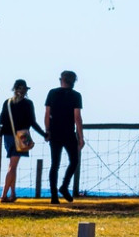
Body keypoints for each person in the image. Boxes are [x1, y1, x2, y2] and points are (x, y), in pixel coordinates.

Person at [43, 70, 84, 203]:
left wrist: (47, 130)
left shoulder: (52, 93)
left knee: (55, 164)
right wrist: (81, 137)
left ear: (61, 80)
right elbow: (77, 117)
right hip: (68, 132)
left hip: (55, 132)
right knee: (74, 161)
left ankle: (54, 195)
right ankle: (64, 186)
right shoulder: (76, 95)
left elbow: (47, 113)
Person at [0, 79, 37, 203]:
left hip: (7, 135)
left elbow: (1, 120)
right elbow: (32, 122)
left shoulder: (7, 102)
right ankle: (4, 195)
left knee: (12, 164)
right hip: (22, 136)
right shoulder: (28, 104)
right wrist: (43, 134)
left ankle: (13, 193)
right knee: (13, 166)